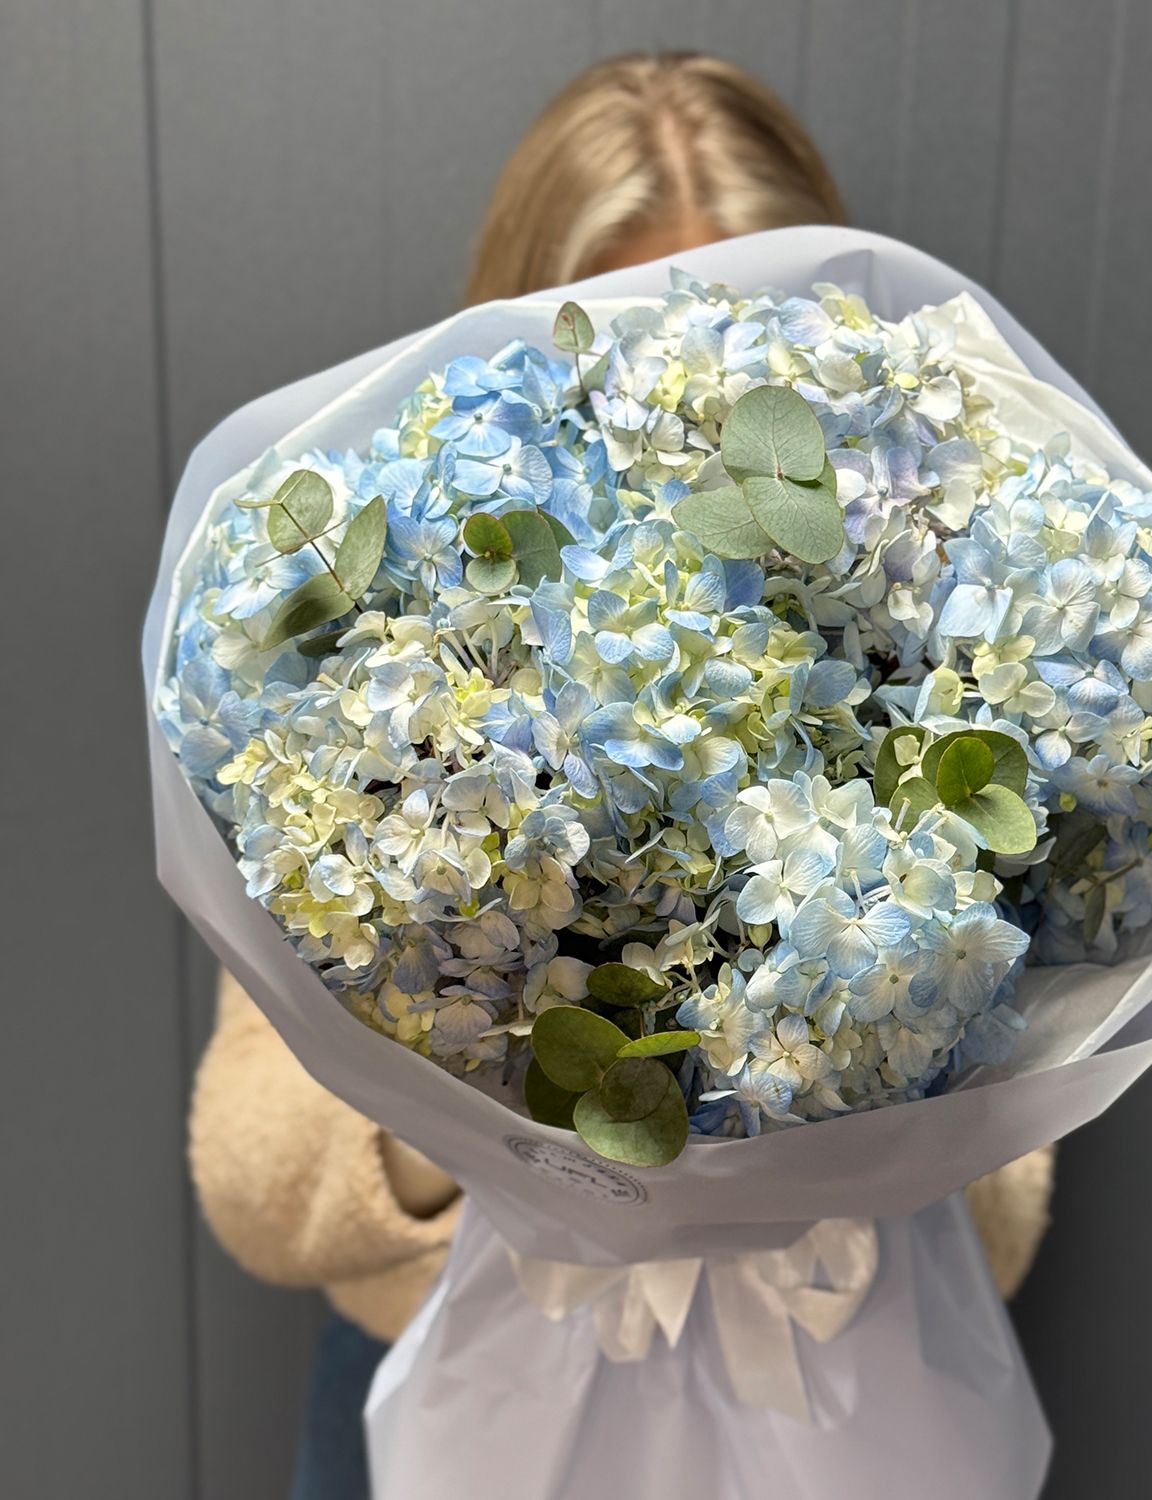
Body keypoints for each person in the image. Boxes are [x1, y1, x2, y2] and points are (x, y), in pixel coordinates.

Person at [190, 52, 1055, 1500]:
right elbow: (254, 1185)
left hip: (826, 1398)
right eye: (637, 349)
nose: (689, 425)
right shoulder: (375, 681)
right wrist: (508, 1103)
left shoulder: (928, 664)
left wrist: (835, 1095)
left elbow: (1009, 1225)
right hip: (445, 1387)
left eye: (743, 360)